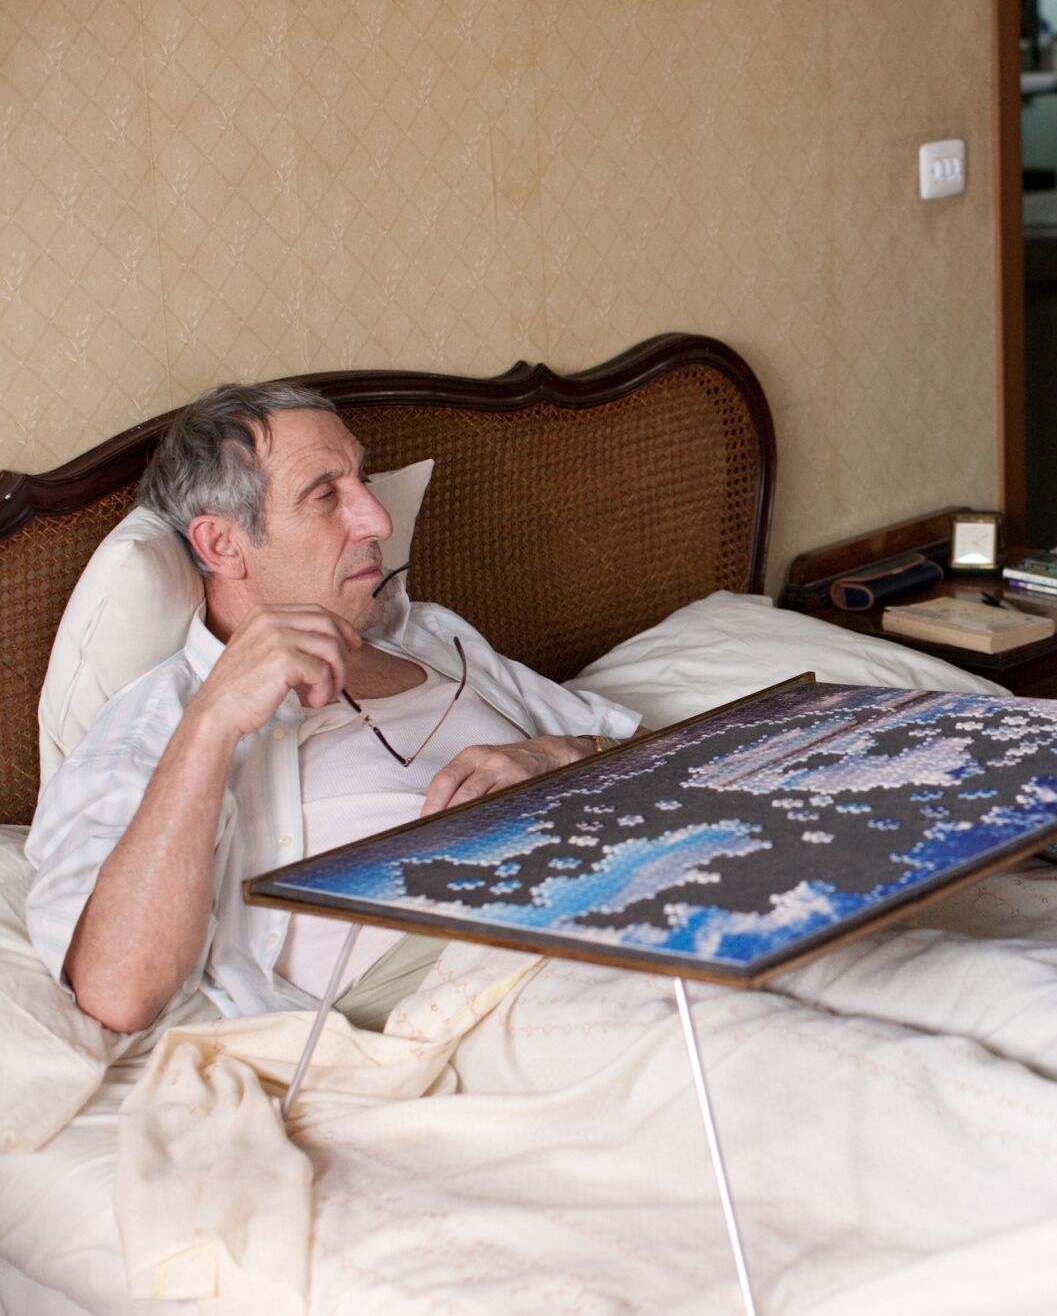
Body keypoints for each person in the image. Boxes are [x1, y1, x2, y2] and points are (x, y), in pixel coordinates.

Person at [26, 383, 641, 1032]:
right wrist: (211, 724)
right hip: (474, 982)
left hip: (634, 884)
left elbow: (683, 758)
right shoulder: (158, 728)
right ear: (222, 545)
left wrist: (563, 754)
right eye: (325, 494)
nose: (378, 520)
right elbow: (118, 993)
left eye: (364, 479)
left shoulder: (433, 635)